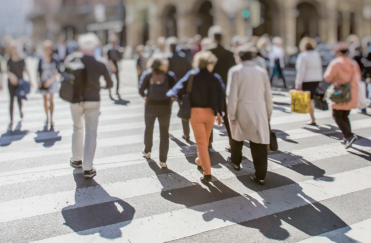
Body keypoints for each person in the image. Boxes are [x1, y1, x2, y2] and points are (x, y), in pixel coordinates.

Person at [167, 51, 225, 184]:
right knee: (205, 140)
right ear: (210, 64)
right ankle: (200, 161)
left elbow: (177, 89)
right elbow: (221, 97)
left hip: (195, 113)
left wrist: (170, 96)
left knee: (201, 143)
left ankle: (207, 173)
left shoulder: (192, 75)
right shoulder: (215, 78)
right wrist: (220, 113)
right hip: (210, 113)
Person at [67, 33, 113, 179]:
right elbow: (110, 83)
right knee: (91, 133)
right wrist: (101, 86)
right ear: (95, 46)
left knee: (77, 127)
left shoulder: (73, 60)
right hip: (93, 99)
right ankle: (88, 167)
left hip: (75, 100)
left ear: (80, 46)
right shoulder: (100, 63)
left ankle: (76, 159)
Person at [226, 46, 273, 186]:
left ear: (239, 58)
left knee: (237, 137)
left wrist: (231, 114)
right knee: (258, 142)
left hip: (242, 108)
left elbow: (232, 95)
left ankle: (235, 161)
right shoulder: (261, 72)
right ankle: (260, 175)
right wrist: (269, 113)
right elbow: (268, 95)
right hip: (259, 109)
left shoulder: (235, 71)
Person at [139, 54, 177, 168]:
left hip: (150, 106)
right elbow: (176, 89)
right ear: (160, 65)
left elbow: (140, 89)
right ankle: (163, 161)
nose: (167, 64)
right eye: (165, 62)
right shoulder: (169, 76)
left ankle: (147, 151)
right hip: (165, 107)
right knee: (164, 133)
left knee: (149, 128)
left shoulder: (148, 74)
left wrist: (146, 96)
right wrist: (171, 98)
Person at [324, 42, 359, 149]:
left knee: (336, 115)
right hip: (351, 93)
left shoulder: (336, 63)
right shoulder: (353, 63)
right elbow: (358, 78)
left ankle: (349, 135)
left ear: (339, 52)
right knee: (344, 115)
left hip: (339, 94)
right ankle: (346, 138)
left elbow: (327, 77)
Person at [208, 31, 236, 152]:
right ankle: (232, 141)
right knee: (227, 117)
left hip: (211, 88)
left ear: (213, 38)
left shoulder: (209, 52)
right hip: (225, 87)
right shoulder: (229, 53)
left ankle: (209, 143)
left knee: (209, 116)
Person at [168, 39, 193, 140]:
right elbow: (190, 71)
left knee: (168, 110)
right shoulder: (183, 56)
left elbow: (168, 74)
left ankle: (165, 129)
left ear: (170, 48)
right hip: (183, 87)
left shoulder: (169, 57)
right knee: (183, 108)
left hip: (172, 88)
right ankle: (186, 133)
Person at [295, 37, 323, 126]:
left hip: (307, 80)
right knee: (311, 99)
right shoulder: (316, 54)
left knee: (310, 100)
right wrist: (319, 79)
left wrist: (298, 82)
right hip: (316, 79)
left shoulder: (303, 56)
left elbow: (301, 71)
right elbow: (319, 67)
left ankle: (312, 119)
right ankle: (312, 117)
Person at [6, 43, 32, 127]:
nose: (14, 50)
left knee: (19, 99)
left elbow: (26, 69)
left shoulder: (21, 59)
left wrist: (30, 79)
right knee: (11, 100)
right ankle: (11, 120)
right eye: (12, 48)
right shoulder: (8, 60)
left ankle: (20, 111)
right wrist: (11, 76)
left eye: (15, 48)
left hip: (20, 83)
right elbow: (6, 71)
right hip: (11, 83)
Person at [37, 40, 60, 127]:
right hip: (43, 80)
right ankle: (47, 116)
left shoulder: (55, 58)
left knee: (51, 100)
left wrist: (51, 80)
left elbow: (57, 71)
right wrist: (38, 80)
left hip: (51, 81)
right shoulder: (41, 59)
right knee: (45, 100)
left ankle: (51, 117)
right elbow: (38, 71)